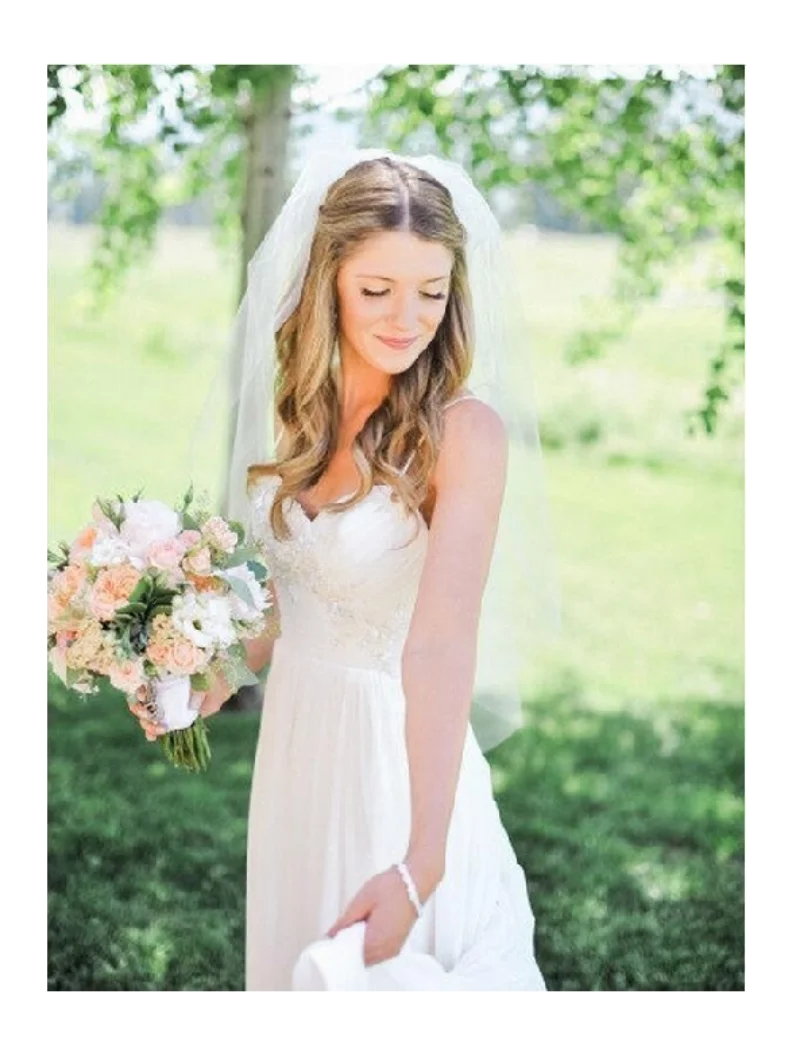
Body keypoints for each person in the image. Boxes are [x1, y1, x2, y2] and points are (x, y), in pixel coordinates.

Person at [131, 150, 554, 992]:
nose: (409, 318)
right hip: (299, 751)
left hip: (396, 762)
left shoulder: (464, 434)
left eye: (432, 291)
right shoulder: (307, 418)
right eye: (378, 291)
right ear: (328, 281)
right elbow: (295, 602)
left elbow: (438, 649)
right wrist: (203, 675)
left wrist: (418, 866)